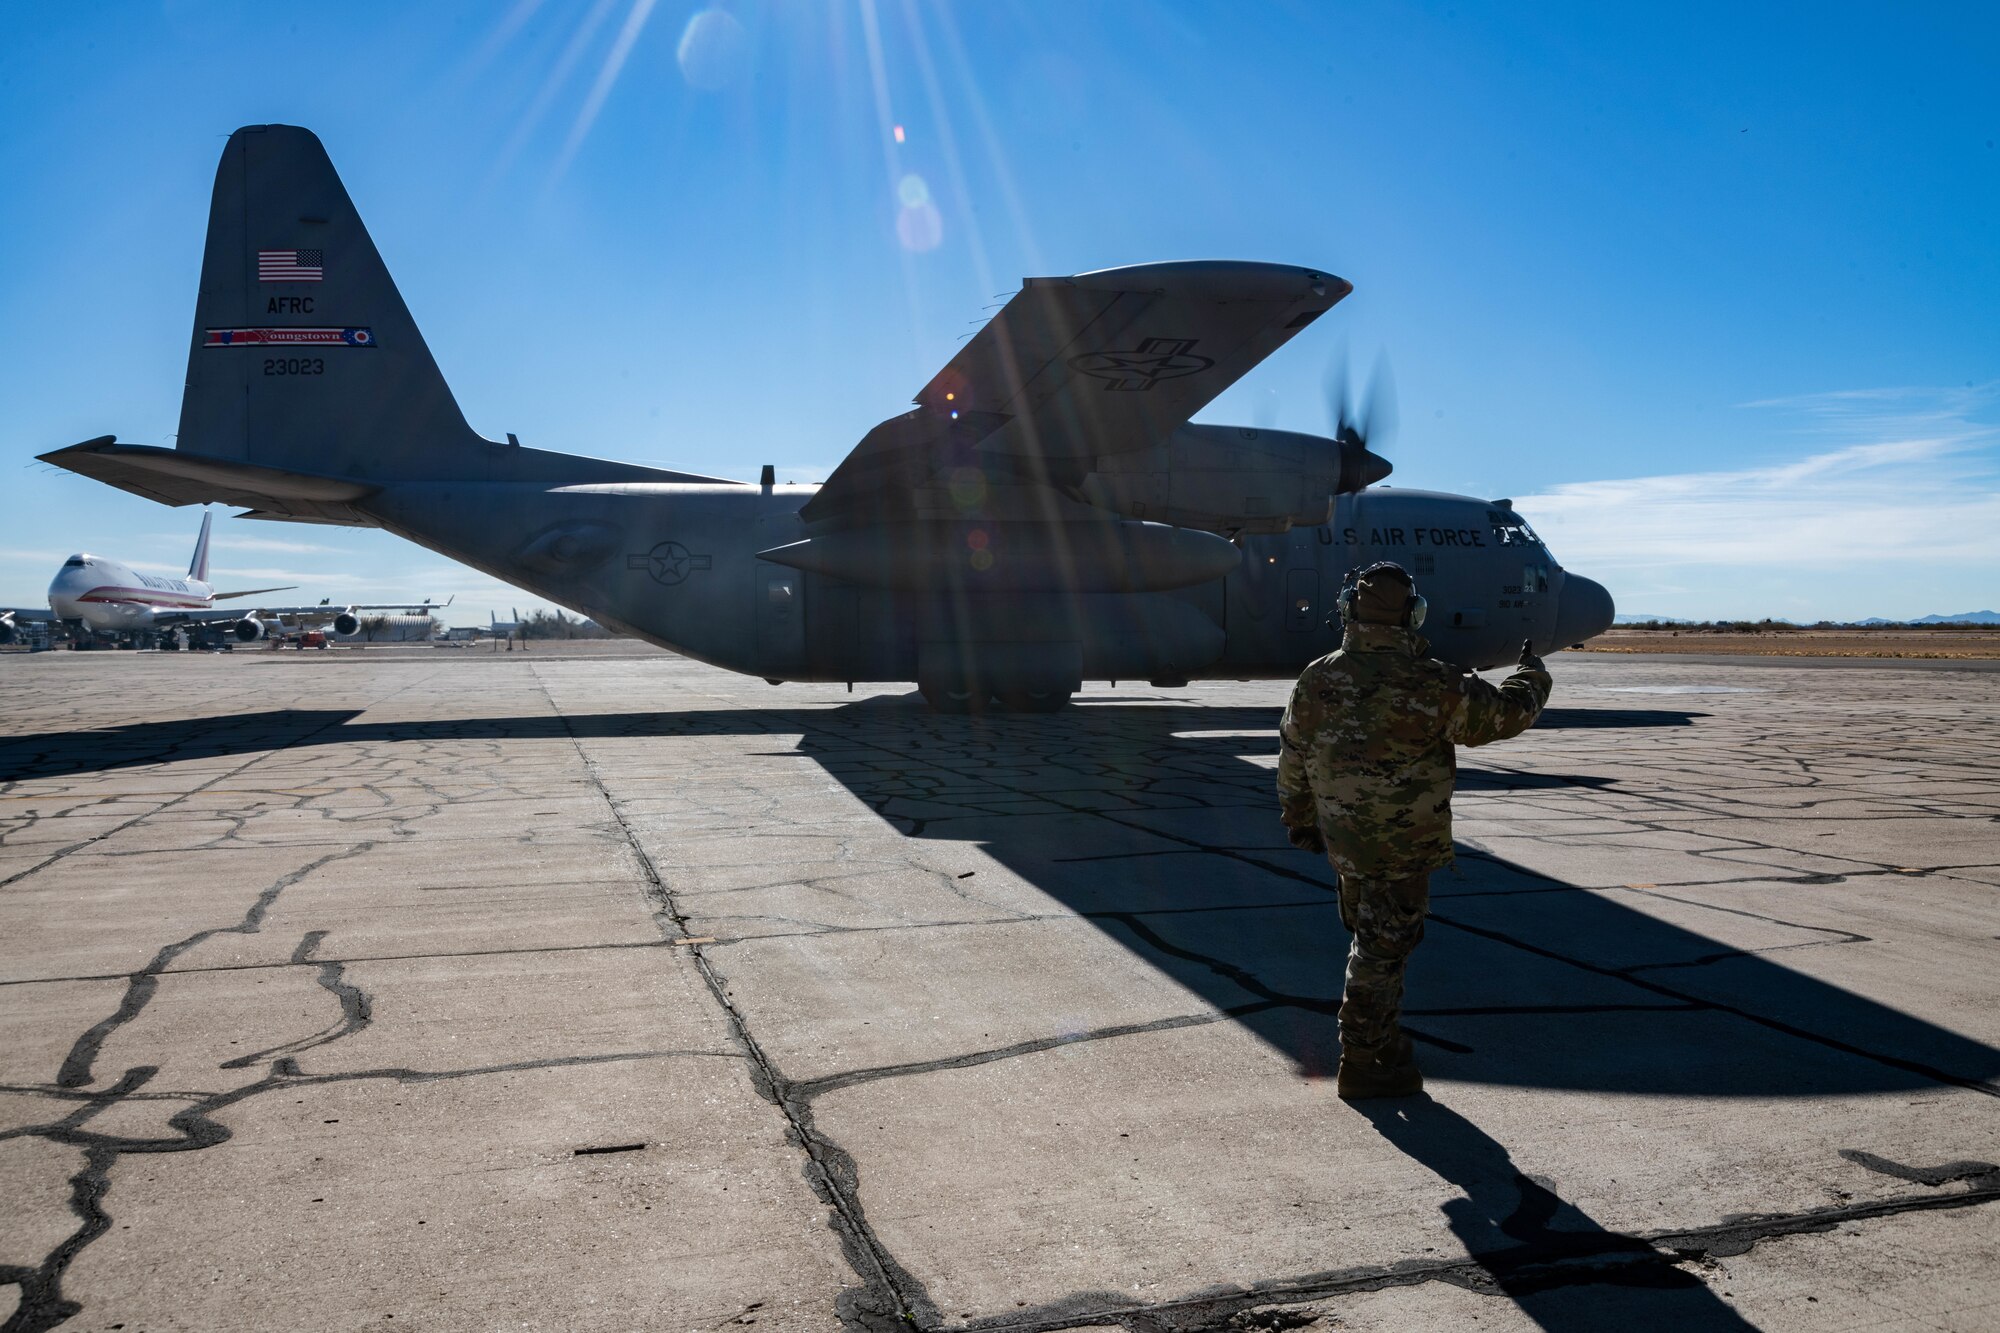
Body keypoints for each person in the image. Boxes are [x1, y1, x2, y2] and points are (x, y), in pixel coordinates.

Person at [1278, 561, 1551, 1099]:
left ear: (1348, 612)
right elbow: (1505, 716)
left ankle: (1383, 1042)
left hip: (1346, 845)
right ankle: (1361, 1060)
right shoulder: (1435, 681)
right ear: (1412, 616)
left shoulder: (1318, 676)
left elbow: (1293, 756)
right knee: (1380, 952)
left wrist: (1301, 821)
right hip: (1403, 847)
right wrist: (1533, 676)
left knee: (1378, 942)